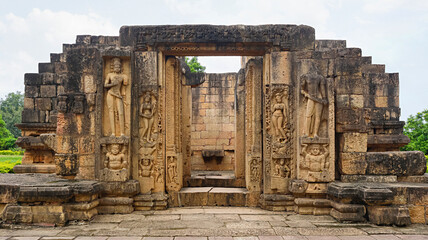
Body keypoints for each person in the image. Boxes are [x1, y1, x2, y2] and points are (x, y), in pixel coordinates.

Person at [104, 57, 128, 136]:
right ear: (113, 67)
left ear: (121, 67)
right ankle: (113, 133)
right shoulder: (110, 75)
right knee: (111, 112)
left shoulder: (123, 76)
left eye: (118, 66)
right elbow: (105, 85)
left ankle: (122, 133)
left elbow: (124, 86)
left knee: (121, 113)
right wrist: (113, 84)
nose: (117, 68)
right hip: (110, 93)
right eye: (115, 66)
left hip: (118, 95)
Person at [300, 71, 327, 138]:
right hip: (310, 98)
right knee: (308, 115)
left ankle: (315, 133)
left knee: (318, 116)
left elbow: (322, 88)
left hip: (319, 98)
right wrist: (304, 92)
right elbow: (302, 88)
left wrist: (324, 98)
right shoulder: (306, 76)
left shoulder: (320, 77)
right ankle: (307, 133)